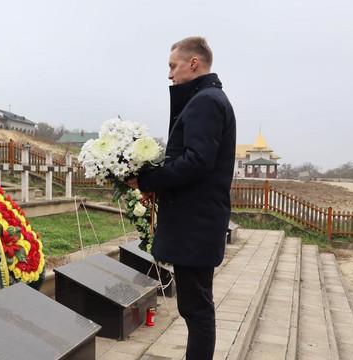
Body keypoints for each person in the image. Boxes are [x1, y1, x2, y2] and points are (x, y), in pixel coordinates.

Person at [127, 36, 236, 359]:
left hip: (195, 224)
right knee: (195, 307)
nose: (170, 75)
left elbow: (198, 161)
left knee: (197, 309)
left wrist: (149, 179)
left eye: (173, 67)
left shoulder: (205, 101)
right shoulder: (207, 99)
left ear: (194, 63)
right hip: (197, 222)